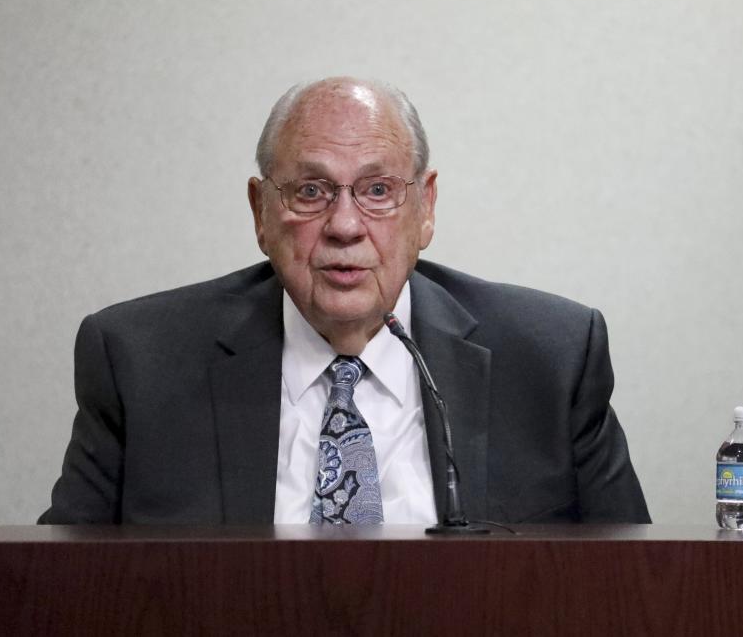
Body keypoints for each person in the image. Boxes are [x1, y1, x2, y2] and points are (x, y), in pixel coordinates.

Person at [39, 77, 650, 525]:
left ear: (426, 208)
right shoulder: (139, 361)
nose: (345, 225)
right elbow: (59, 589)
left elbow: (633, 584)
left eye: (378, 190)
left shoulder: (551, 357)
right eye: (310, 191)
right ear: (260, 210)